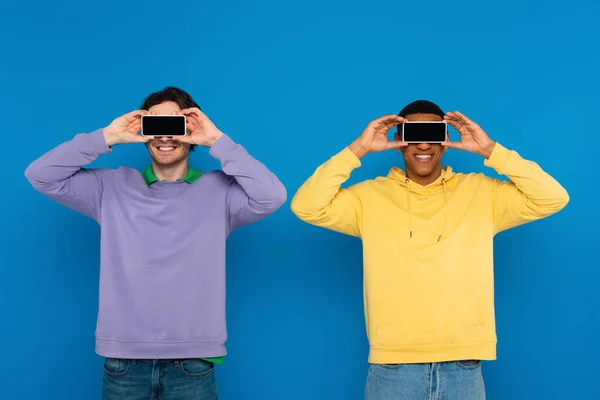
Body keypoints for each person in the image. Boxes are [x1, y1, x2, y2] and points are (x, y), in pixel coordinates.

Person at [290, 100, 569, 399]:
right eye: (413, 134)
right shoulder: (367, 197)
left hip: (463, 365)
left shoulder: (483, 193)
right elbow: (306, 206)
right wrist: (358, 149)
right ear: (398, 142)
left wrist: (491, 150)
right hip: (392, 366)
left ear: (445, 141)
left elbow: (552, 198)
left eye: (432, 134)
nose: (423, 144)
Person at [25, 86, 287, 400]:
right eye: (156, 126)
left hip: (194, 363)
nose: (165, 137)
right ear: (144, 132)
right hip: (123, 362)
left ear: (192, 130)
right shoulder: (109, 186)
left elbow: (273, 195)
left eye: (174, 126)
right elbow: (40, 175)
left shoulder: (221, 192)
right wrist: (106, 136)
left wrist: (218, 142)